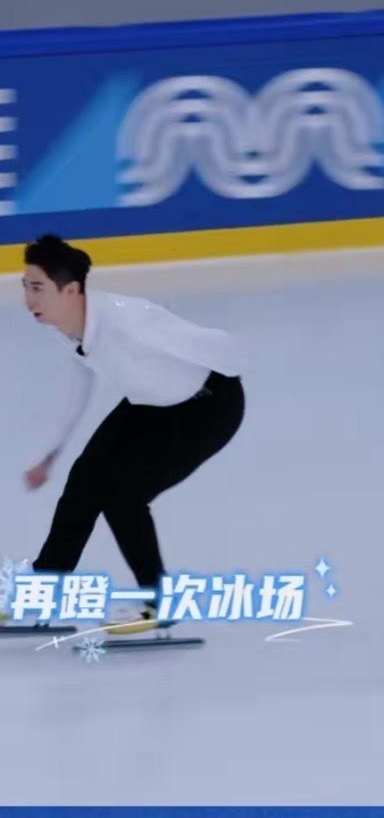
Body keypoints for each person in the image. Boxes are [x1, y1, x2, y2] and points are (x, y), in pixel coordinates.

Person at [9, 234, 246, 632]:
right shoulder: (67, 325)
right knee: (86, 478)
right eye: (25, 287)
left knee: (123, 497)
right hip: (150, 404)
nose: (28, 299)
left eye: (37, 288)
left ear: (70, 290)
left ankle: (159, 603)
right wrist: (50, 455)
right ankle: (44, 589)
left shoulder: (129, 321)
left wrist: (228, 364)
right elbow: (80, 383)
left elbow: (221, 347)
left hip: (207, 407)